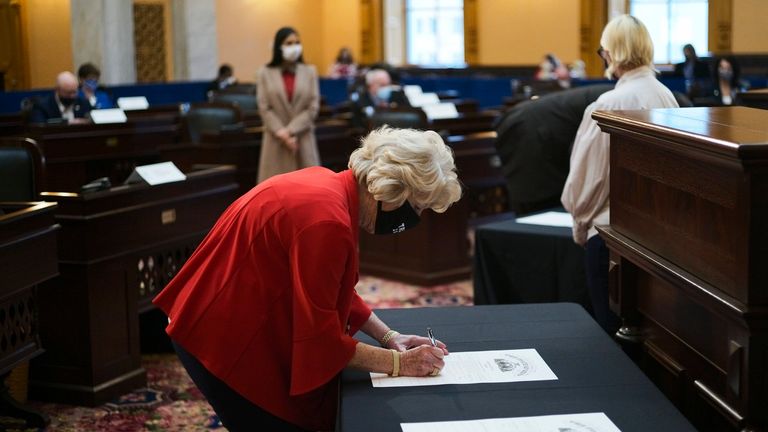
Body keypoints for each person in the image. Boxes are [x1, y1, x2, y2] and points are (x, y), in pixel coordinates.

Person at [152, 126, 462, 431]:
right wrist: (400, 365)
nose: (415, 219)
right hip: (220, 339)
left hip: (222, 315)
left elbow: (330, 289)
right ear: (393, 192)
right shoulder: (327, 222)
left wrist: (388, 336)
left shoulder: (328, 185)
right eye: (417, 207)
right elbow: (321, 342)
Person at [561, 15, 679, 335]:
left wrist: (580, 219)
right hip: (661, 237)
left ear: (611, 53)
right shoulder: (666, 96)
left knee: (612, 334)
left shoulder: (608, 103)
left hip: (613, 235)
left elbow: (588, 179)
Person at [494, 83, 614, 215]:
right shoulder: (616, 97)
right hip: (531, 130)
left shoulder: (613, 93)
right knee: (535, 202)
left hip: (538, 125)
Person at [257, 27, 320, 183]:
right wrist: (282, 133)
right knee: (274, 192)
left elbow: (312, 106)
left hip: (302, 139)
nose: (294, 46)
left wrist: (290, 130)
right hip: (275, 140)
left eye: (297, 42)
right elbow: (264, 107)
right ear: (279, 46)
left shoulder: (310, 71)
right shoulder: (265, 72)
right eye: (289, 43)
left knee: (308, 190)